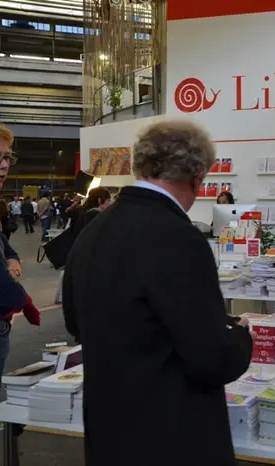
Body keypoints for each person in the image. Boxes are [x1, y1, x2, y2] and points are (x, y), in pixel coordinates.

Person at [62, 120, 253, 466]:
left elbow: (75, 320)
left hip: (109, 429)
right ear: (198, 176)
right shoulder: (179, 237)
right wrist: (242, 336)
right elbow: (211, 358)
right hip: (170, 433)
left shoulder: (94, 229)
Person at [0, 119, 40, 466]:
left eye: (6, 157)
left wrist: (11, 261)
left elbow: (4, 250)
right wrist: (22, 297)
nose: (3, 165)